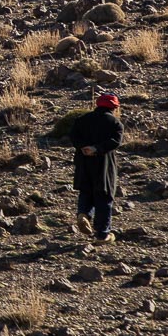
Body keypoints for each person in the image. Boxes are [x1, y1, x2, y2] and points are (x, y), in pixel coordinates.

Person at [71, 92, 123, 245]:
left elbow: (73, 137)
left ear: (98, 104)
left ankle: (84, 214)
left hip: (83, 161)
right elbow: (115, 142)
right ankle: (102, 233)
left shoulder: (81, 120)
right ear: (114, 107)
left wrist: (83, 148)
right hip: (104, 163)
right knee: (104, 196)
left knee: (86, 190)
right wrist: (97, 149)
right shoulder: (115, 123)